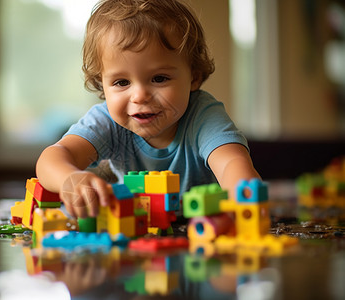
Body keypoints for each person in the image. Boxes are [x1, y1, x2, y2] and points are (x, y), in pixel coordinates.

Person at [36, 0, 260, 218]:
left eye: (159, 78)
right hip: (137, 235)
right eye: (122, 82)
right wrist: (69, 178)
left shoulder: (203, 115)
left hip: (202, 233)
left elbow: (231, 161)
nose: (140, 95)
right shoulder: (108, 121)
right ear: (101, 83)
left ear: (194, 76)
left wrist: (243, 195)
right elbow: (53, 157)